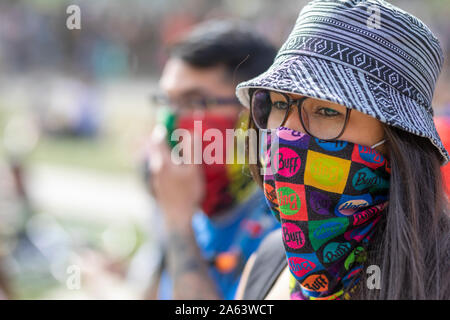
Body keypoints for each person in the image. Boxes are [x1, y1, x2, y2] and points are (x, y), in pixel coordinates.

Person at [234, 0, 450, 300]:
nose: (287, 133)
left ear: (398, 141)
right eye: (280, 104)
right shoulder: (267, 264)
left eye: (326, 111)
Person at [146, 20, 279, 299]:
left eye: (195, 102)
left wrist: (178, 223)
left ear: (255, 111)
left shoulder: (283, 225)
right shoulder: (186, 201)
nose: (170, 121)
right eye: (166, 101)